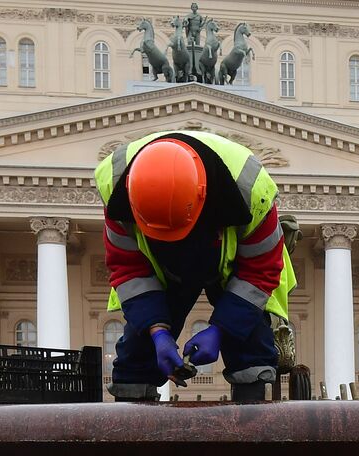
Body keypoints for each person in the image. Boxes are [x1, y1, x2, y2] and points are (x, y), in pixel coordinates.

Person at [96, 130, 296, 402]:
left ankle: (252, 422)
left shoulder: (251, 191)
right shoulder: (118, 192)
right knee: (138, 349)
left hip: (236, 267)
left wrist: (221, 329)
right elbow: (129, 269)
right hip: (162, 272)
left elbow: (259, 271)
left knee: (250, 340)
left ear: (203, 198)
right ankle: (131, 421)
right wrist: (157, 332)